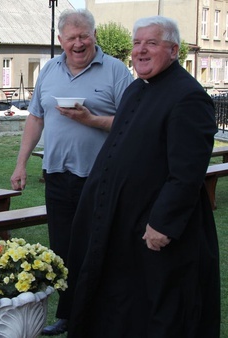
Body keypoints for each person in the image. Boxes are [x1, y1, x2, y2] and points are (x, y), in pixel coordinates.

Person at [66, 16, 220, 338]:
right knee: (121, 302)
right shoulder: (137, 88)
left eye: (152, 43)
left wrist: (163, 223)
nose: (141, 50)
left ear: (174, 50)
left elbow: (187, 172)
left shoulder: (188, 97)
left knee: (159, 308)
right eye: (137, 43)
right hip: (122, 223)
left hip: (156, 228)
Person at [9, 9, 133, 336]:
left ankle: (98, 315)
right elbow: (35, 118)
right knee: (62, 250)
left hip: (101, 178)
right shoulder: (49, 69)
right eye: (71, 38)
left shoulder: (115, 71)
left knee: (97, 247)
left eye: (84, 36)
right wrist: (21, 163)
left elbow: (134, 122)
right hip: (57, 175)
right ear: (61, 40)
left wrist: (91, 120)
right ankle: (67, 314)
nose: (78, 43)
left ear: (94, 35)